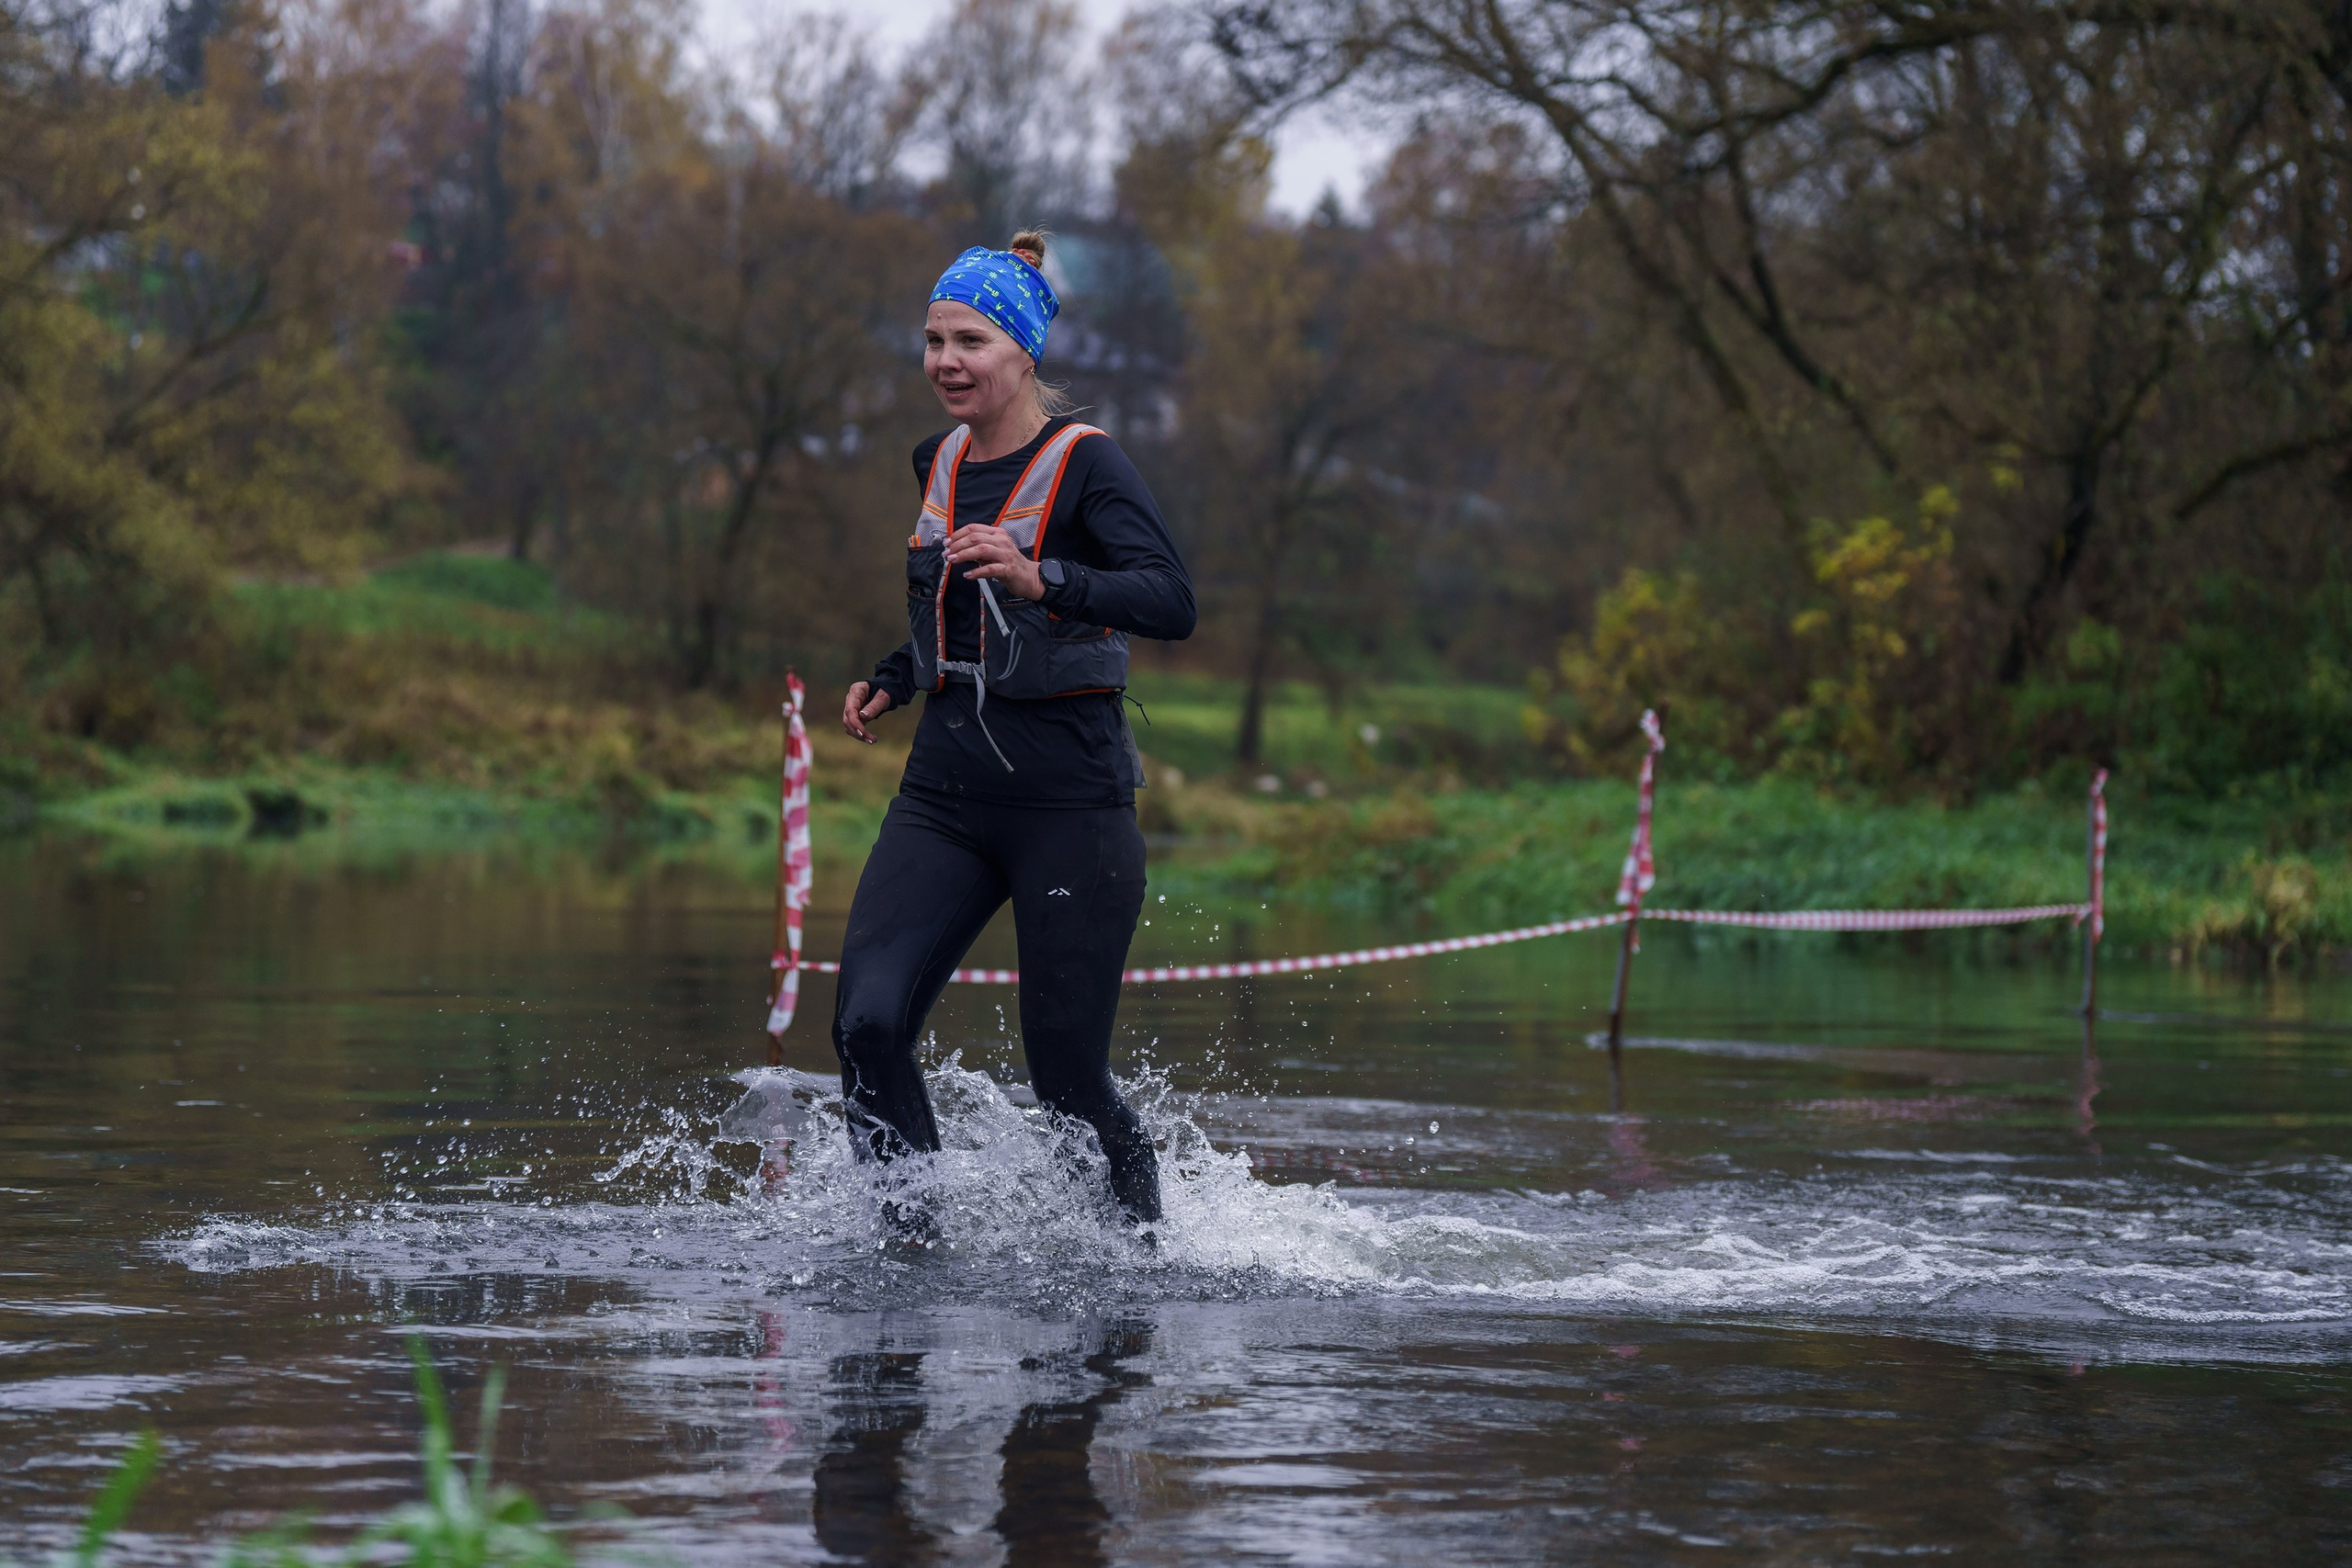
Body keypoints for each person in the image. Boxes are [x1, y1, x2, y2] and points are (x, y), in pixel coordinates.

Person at [833, 231, 1195, 1230]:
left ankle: (1140, 1264)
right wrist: (894, 677)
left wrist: (1049, 578)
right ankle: (906, 1250)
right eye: (933, 340)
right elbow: (955, 612)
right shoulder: (937, 461)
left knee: (1067, 1081)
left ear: (1024, 352)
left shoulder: (1089, 464)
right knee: (866, 1027)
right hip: (943, 798)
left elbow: (1171, 600)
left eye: (971, 341)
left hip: (1070, 806)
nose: (946, 362)